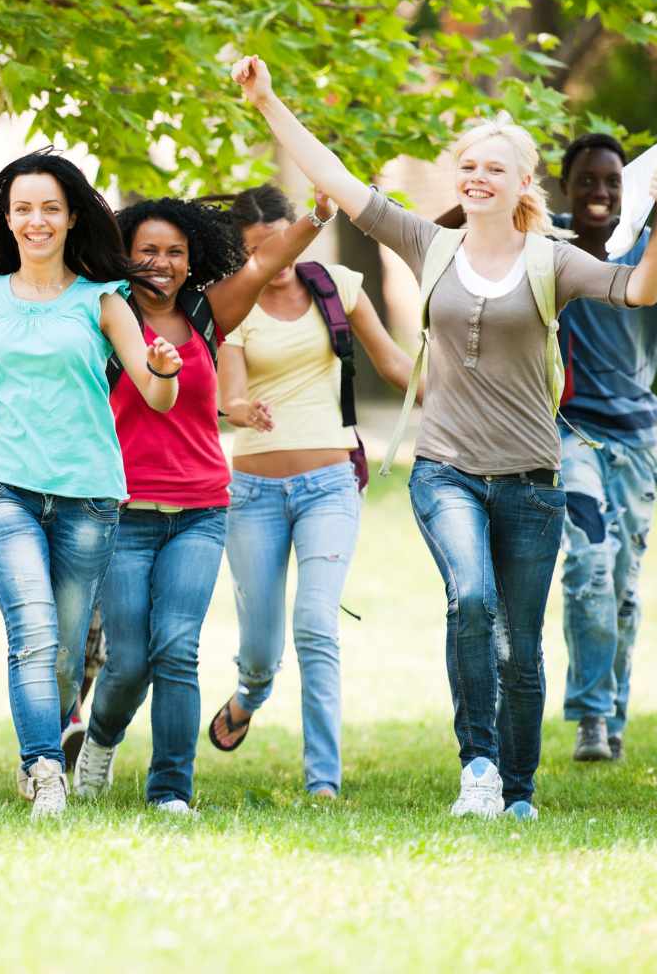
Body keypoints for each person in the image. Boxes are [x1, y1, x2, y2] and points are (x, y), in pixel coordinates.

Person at [229, 54, 657, 820]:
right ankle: (480, 770)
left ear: (524, 184)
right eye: (468, 165)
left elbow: (636, 288)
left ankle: (519, 791)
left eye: (495, 167)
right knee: (471, 600)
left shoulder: (553, 259)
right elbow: (343, 182)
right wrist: (268, 102)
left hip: (530, 477)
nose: (477, 177)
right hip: (447, 470)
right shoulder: (430, 244)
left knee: (521, 648)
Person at [71, 192, 341, 813]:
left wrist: (318, 215)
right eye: (147, 251)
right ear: (124, 256)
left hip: (199, 508)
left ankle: (170, 788)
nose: (161, 263)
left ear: (192, 261)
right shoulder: (100, 314)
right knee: (128, 662)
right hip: (123, 512)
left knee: (176, 650)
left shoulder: (205, 313)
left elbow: (264, 263)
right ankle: (102, 741)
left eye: (175, 252)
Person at [0, 150, 182, 819]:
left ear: (73, 216)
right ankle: (45, 769)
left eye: (50, 208)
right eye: (23, 208)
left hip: (87, 494)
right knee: (35, 633)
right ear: (7, 217)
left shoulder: (103, 302)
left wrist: (163, 368)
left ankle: (45, 746)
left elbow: (156, 395)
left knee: (65, 653)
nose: (36, 220)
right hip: (3, 487)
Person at [204, 184, 414, 799]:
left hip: (328, 485)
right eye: (258, 252)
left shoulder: (338, 285)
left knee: (316, 622)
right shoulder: (235, 304)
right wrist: (239, 409)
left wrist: (456, 399)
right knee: (262, 648)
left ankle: (323, 779)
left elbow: (395, 364)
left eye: (283, 244)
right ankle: (250, 694)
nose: (276, 261)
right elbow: (228, 390)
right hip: (253, 494)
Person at [553, 134, 656, 763]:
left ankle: (612, 713)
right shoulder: (544, 242)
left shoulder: (645, 246)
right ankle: (590, 716)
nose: (599, 192)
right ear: (565, 186)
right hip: (571, 434)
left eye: (612, 181)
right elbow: (447, 234)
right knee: (589, 560)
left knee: (621, 582)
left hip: (639, 439)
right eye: (587, 180)